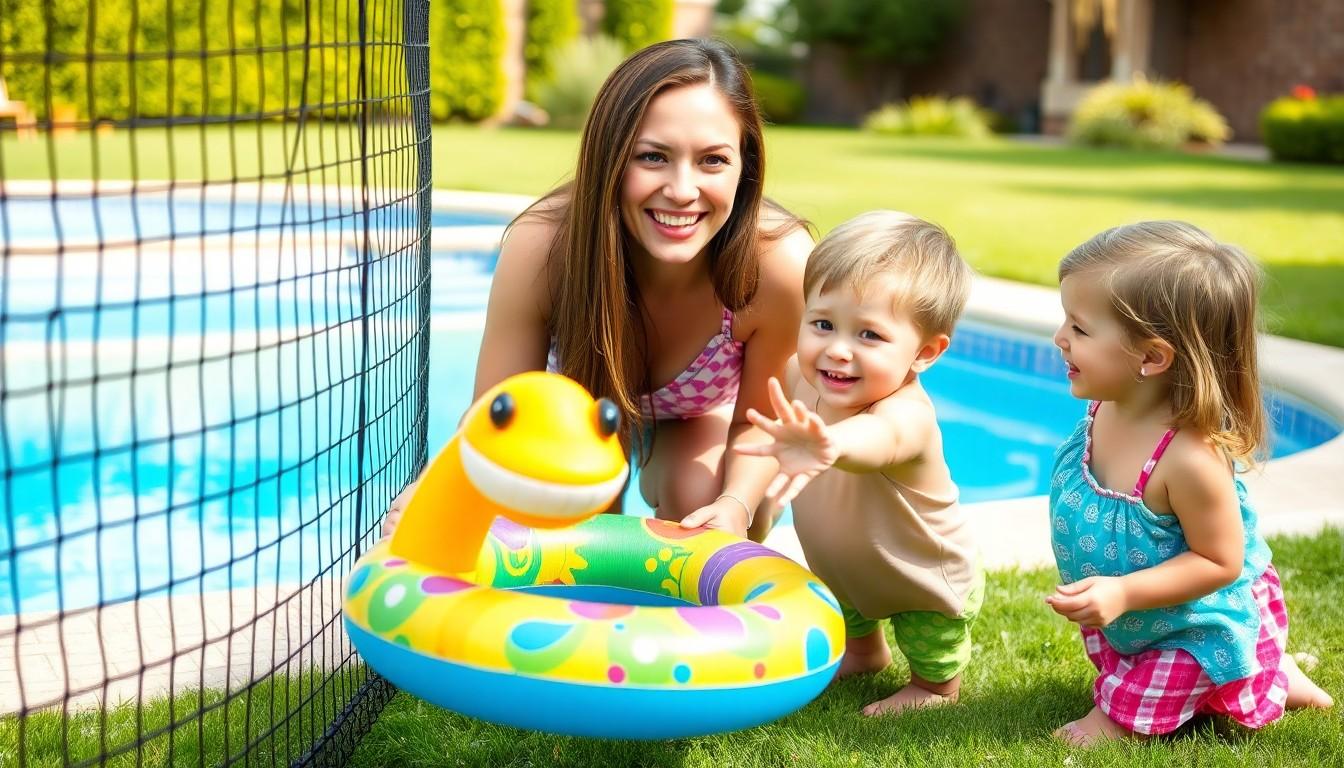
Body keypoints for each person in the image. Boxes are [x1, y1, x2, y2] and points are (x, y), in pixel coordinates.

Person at [384, 38, 813, 540]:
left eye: (713, 161)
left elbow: (755, 423)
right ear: (609, 159)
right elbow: (497, 414)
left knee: (702, 504)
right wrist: (440, 488)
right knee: (566, 517)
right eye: (652, 157)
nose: (681, 190)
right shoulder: (543, 247)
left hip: (702, 415)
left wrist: (737, 504)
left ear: (746, 167)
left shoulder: (776, 265)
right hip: (579, 409)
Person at [1046, 221, 1333, 745]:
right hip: (1142, 618)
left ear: (1152, 358)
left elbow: (1219, 562)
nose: (1059, 337)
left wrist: (1125, 590)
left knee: (1135, 697)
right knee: (1134, 667)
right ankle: (1274, 675)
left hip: (1195, 626)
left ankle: (1243, 671)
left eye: (1080, 329)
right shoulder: (1103, 408)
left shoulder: (1189, 459)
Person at [735, 211, 982, 715]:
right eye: (823, 324)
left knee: (930, 638)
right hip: (842, 564)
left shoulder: (906, 414)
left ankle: (936, 690)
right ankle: (864, 652)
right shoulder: (800, 381)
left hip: (919, 573)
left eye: (869, 335)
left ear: (926, 353)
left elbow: (879, 439)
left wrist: (828, 442)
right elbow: (773, 443)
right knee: (845, 607)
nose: (837, 350)